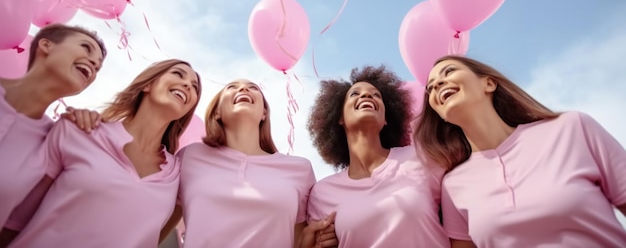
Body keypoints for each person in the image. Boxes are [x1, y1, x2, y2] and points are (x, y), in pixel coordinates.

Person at [416, 55, 626, 248]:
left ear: (488, 83)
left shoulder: (572, 127)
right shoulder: (453, 185)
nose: (437, 85)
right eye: (430, 88)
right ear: (439, 113)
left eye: (449, 71)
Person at [0, 59, 202, 248]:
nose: (188, 86)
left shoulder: (178, 172)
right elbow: (18, 218)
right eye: (178, 74)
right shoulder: (80, 131)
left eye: (194, 87)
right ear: (147, 85)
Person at [306, 65, 450, 247]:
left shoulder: (423, 156)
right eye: (355, 94)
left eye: (376, 95)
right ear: (339, 117)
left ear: (386, 119)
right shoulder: (322, 193)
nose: (366, 96)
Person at [165, 79, 320, 248]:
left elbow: (301, 241)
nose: (244, 88)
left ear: (264, 114)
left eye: (253, 88)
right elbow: (156, 227)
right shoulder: (189, 156)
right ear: (217, 112)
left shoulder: (300, 169)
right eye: (232, 87)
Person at [0, 24, 106, 229]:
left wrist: (81, 129)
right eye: (86, 47)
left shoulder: (54, 141)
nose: (94, 63)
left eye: (99, 67)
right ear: (46, 45)